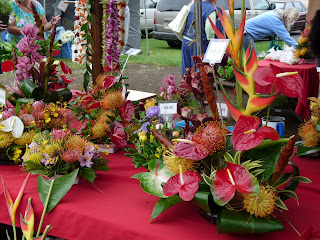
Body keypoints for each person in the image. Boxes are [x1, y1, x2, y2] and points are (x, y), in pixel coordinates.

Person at [181, 0, 221, 76]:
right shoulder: (210, 9)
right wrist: (211, 42)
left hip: (186, 39)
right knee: (199, 68)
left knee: (186, 67)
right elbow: (210, 29)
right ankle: (199, 86)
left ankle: (185, 84)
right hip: (198, 43)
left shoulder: (193, 4)